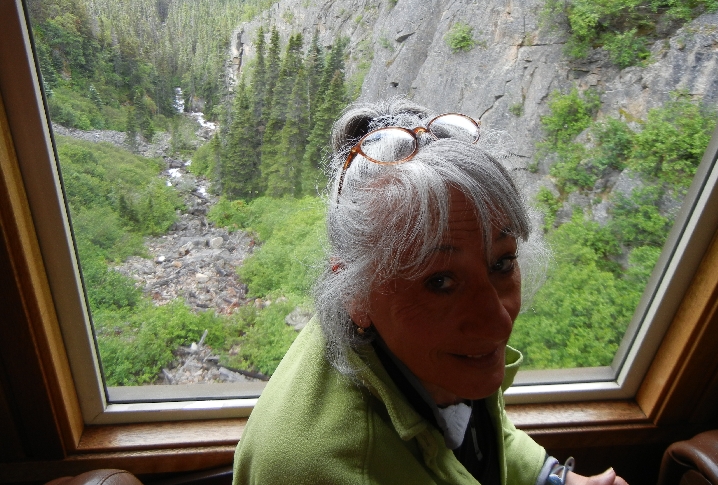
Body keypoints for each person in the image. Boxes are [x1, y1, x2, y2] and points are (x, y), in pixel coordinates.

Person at [232, 98, 628, 485]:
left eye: (502, 263)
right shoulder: (321, 470)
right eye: (439, 282)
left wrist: (556, 478)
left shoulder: (423, 353)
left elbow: (475, 431)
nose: (497, 322)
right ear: (355, 293)